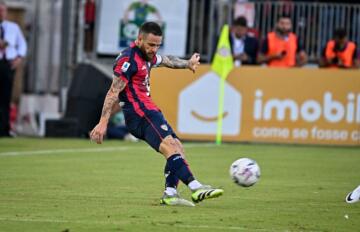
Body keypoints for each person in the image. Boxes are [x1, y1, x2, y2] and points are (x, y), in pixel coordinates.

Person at [90, 22, 224, 206]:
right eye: (151, 45)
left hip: (149, 110)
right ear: (139, 40)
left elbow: (166, 60)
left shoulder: (148, 55)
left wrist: (187, 64)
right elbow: (113, 91)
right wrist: (103, 122)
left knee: (177, 146)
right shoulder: (128, 60)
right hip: (140, 114)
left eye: (157, 45)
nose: (154, 49)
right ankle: (196, 187)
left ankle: (170, 193)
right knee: (169, 146)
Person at [0, 1, 27, 137]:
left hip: (7, 65)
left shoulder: (13, 27)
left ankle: (4, 129)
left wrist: (19, 58)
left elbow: (22, 44)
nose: (1, 13)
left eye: (3, 10)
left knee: (6, 98)